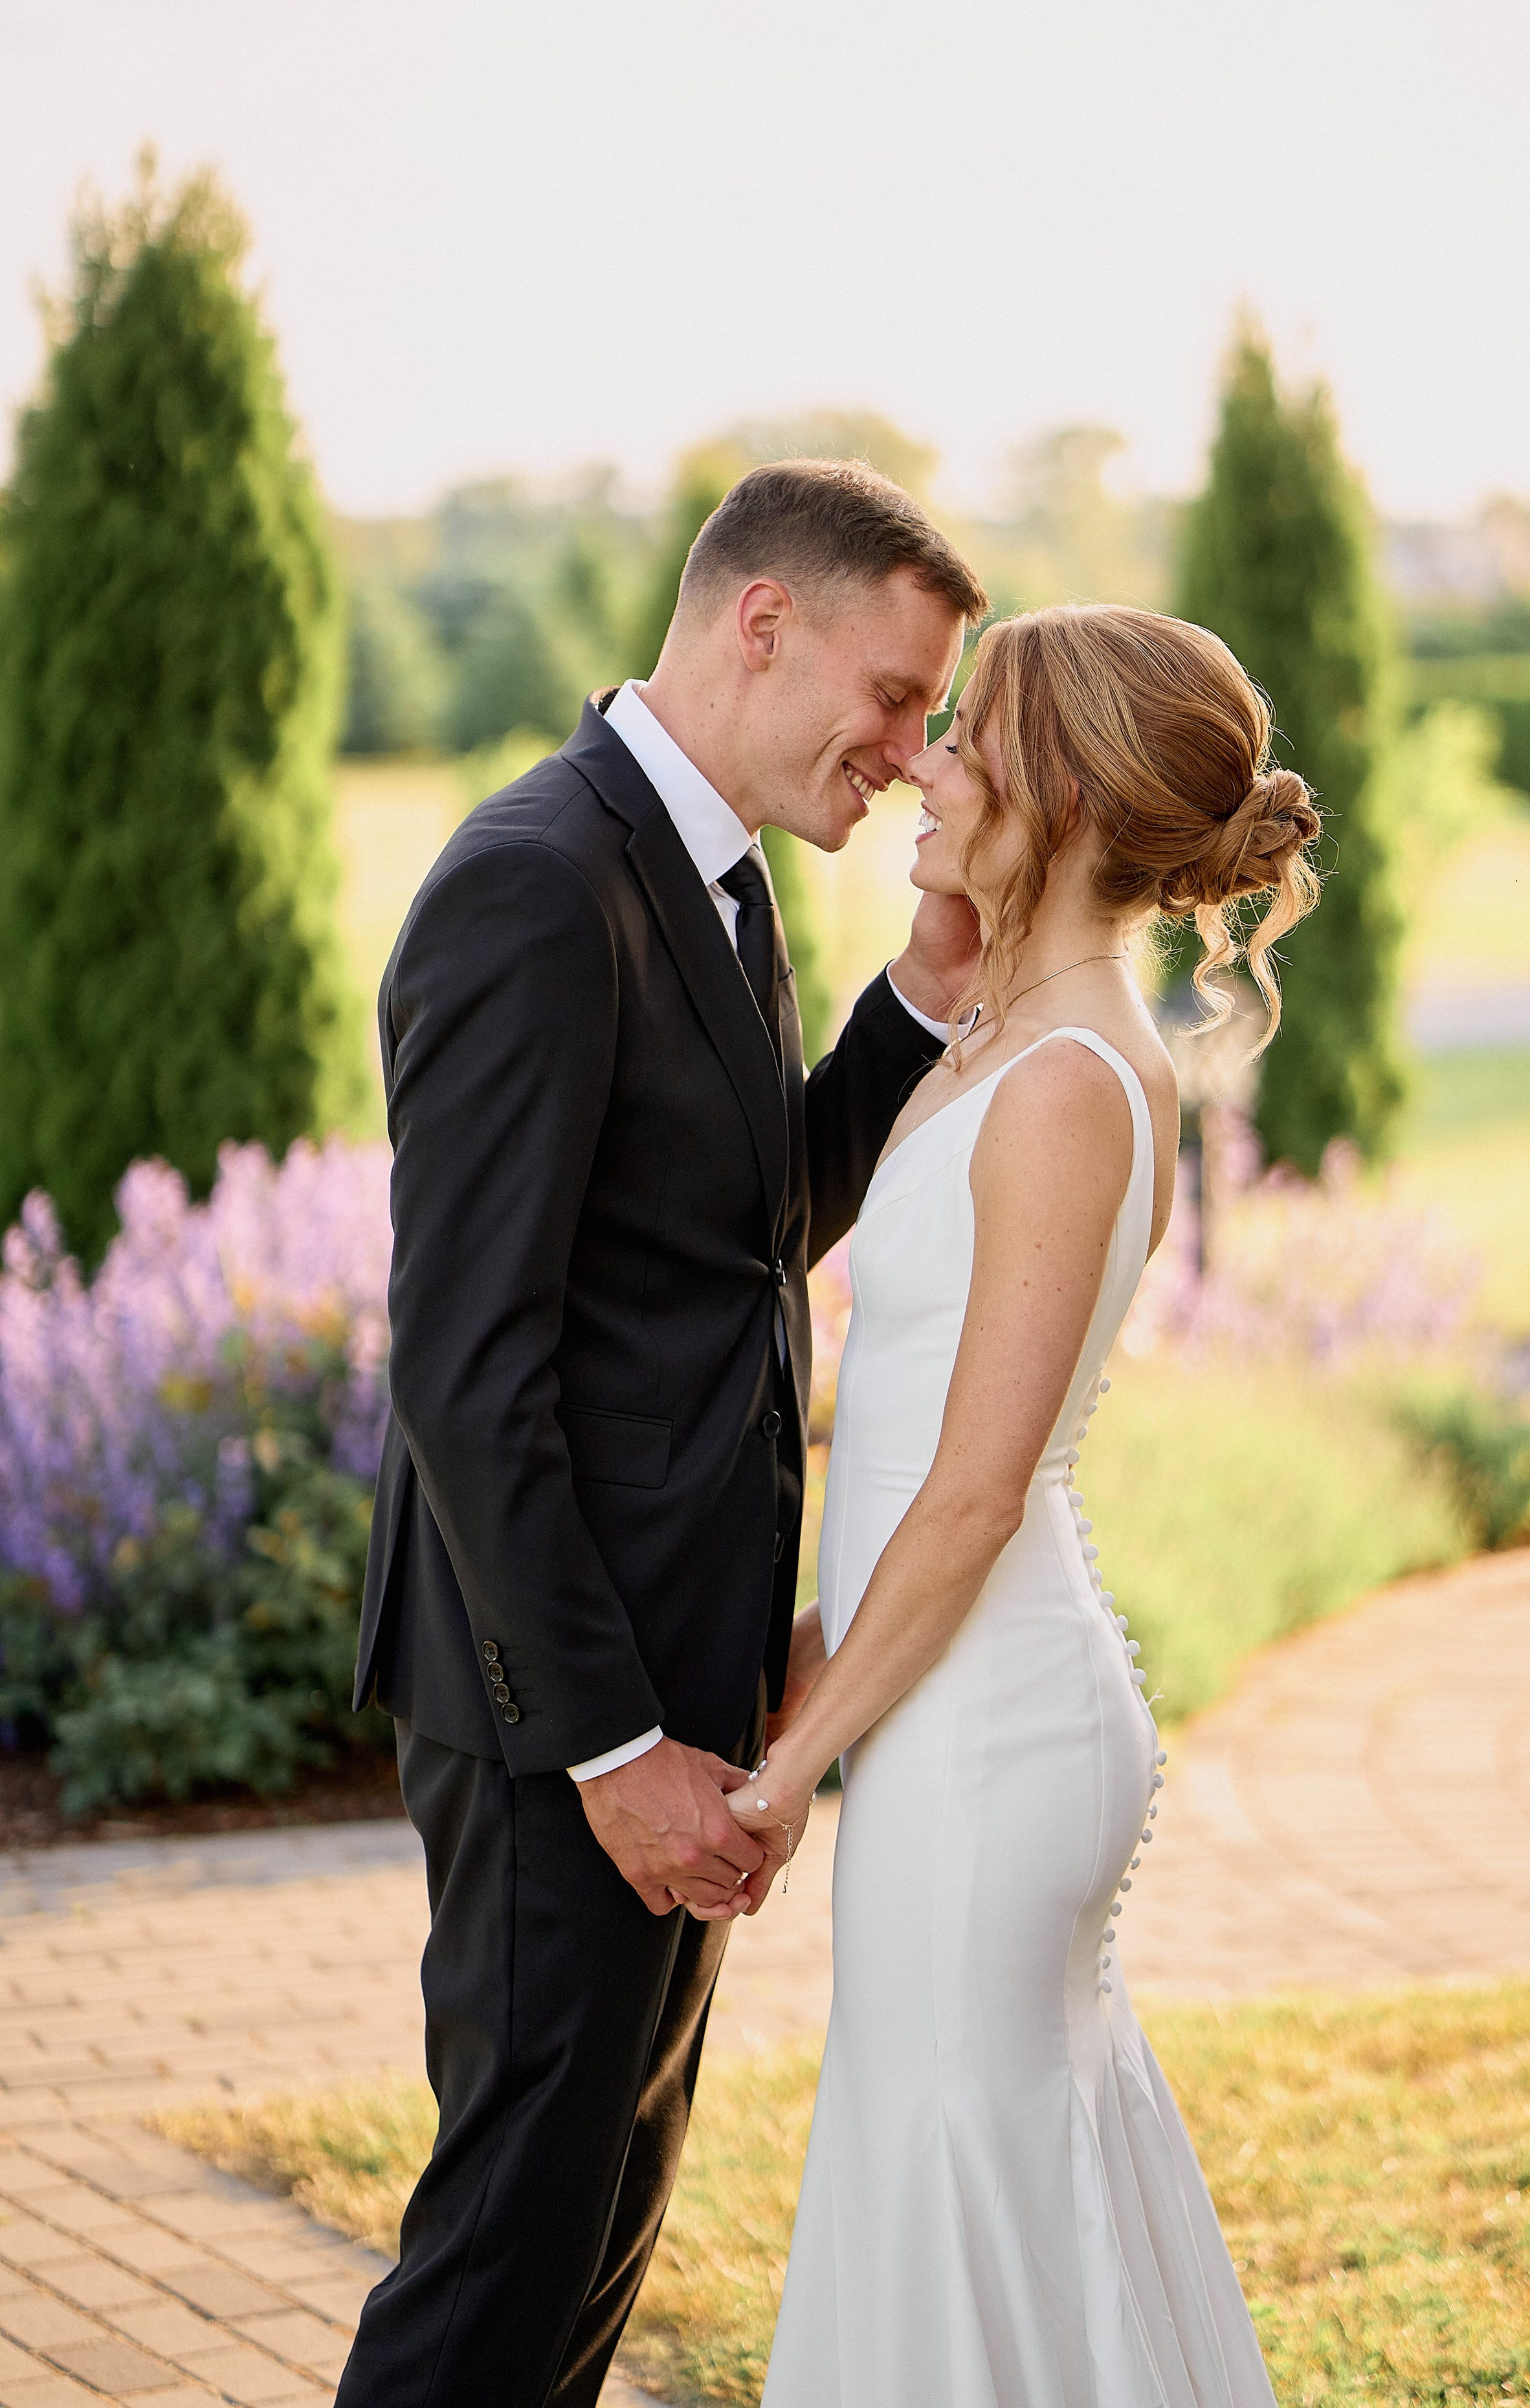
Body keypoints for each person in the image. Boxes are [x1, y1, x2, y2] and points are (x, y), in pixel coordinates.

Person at [335, 461, 989, 2408]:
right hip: (562, 1711)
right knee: (499, 2267)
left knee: (596, 2241)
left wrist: (918, 1002)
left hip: (668, 1693)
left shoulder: (716, 872)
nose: (906, 752)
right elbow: (466, 1364)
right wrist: (616, 1750)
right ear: (758, 620)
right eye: (892, 697)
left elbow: (742, 1227)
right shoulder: (537, 881)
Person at [727, 603, 1321, 2407]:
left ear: (1058, 795)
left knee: (956, 2177)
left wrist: (777, 1771)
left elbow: (975, 1493)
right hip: (951, 1720)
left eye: (967, 735)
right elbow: (911, 1455)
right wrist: (807, 1677)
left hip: (991, 1736)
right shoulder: (1012, 1040)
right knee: (965, 2179)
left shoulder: (1067, 1083)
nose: (923, 756)